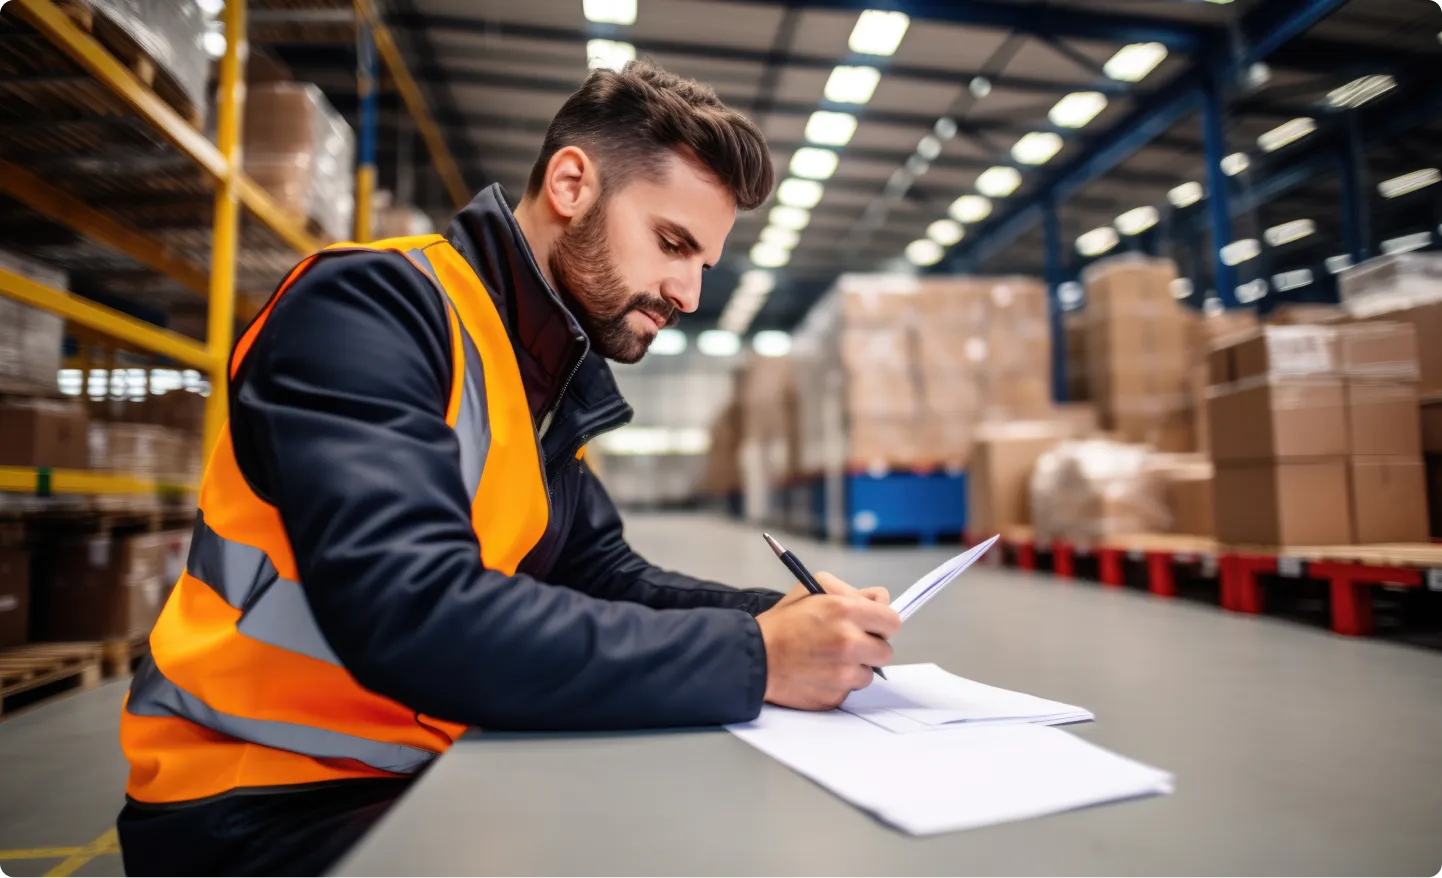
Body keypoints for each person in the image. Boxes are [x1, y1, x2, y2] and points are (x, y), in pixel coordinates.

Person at [115, 60, 901, 877]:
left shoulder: (544, 375)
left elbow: (598, 574)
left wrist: (787, 617)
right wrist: (755, 656)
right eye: (672, 244)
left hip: (414, 764)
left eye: (703, 262)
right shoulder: (369, 309)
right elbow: (411, 613)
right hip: (257, 802)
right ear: (570, 184)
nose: (689, 293)